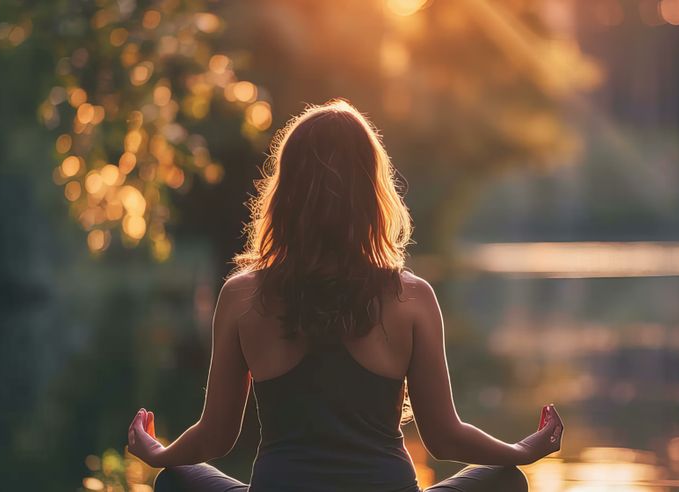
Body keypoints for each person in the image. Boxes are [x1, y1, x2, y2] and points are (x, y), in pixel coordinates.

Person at [125, 99, 564, 492]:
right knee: (506, 479)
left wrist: (159, 455)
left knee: (175, 481)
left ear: (286, 195)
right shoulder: (411, 298)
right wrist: (520, 451)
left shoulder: (242, 296)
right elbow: (445, 438)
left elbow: (216, 436)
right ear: (373, 195)